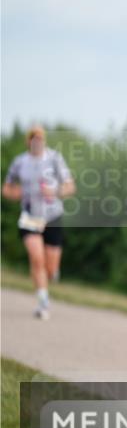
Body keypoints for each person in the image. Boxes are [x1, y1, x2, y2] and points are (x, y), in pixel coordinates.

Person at [2, 125, 75, 319]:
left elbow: (70, 187)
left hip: (52, 216)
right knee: (36, 258)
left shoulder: (55, 159)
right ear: (28, 141)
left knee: (50, 268)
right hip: (30, 215)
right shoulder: (19, 162)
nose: (37, 142)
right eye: (33, 139)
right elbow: (7, 189)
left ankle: (49, 275)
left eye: (40, 139)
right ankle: (43, 302)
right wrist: (15, 194)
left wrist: (56, 192)